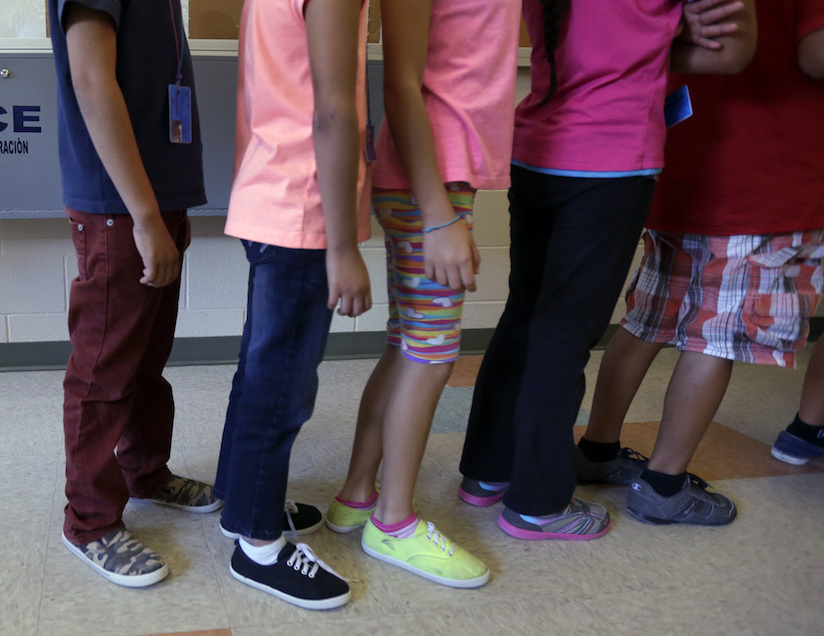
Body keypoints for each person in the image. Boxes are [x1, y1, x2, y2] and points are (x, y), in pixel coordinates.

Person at [457, 0, 756, 540]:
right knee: (562, 336)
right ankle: (538, 505)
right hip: (610, 163)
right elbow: (730, 52)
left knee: (525, 317)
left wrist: (646, 44)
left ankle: (487, 474)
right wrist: (655, 45)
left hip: (535, 151)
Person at [579, 0, 824, 522]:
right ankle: (664, 486)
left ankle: (597, 450)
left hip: (683, 157)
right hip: (763, 174)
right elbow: (816, 54)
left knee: (647, 320)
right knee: (720, 335)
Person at [325, 0, 520, 589]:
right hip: (430, 179)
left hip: (440, 174)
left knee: (408, 346)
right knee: (432, 356)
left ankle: (358, 496)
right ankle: (394, 522)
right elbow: (401, 82)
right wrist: (438, 216)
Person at [51, 0, 222, 588]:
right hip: (119, 208)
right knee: (104, 371)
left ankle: (147, 472)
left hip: (153, 201)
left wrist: (167, 209)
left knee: (146, 360)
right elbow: (92, 79)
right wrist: (146, 217)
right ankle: (90, 522)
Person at [213, 0, 374, 611]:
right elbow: (333, 112)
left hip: (272, 193)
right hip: (303, 209)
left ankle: (243, 500)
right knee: (281, 384)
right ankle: (258, 544)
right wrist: (343, 246)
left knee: (261, 369)